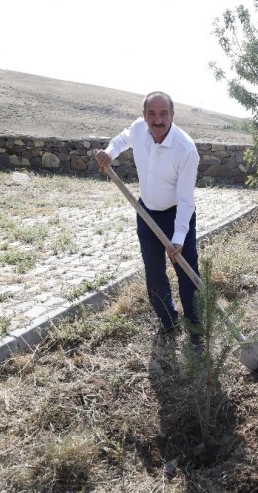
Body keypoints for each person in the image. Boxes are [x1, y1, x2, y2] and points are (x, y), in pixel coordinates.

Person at [94, 91, 202, 350]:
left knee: (187, 274)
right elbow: (122, 140)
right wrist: (109, 152)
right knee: (154, 274)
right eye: (151, 114)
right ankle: (168, 322)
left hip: (177, 213)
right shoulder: (138, 129)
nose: (157, 120)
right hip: (146, 213)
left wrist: (177, 239)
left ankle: (196, 330)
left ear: (172, 116)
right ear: (144, 116)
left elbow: (187, 200)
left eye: (163, 113)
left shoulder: (186, 149)